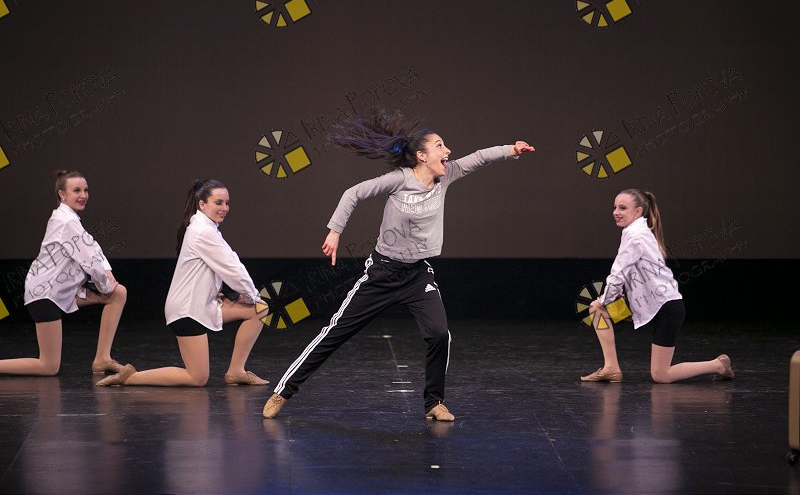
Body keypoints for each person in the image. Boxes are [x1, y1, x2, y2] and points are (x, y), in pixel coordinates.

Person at [262, 108, 535, 421]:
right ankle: (283, 391)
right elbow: (353, 193)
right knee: (335, 332)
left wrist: (511, 150)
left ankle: (434, 403)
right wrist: (335, 231)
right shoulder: (398, 180)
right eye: (440, 146)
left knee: (439, 334)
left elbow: (480, 157)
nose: (448, 151)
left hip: (417, 275)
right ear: (421, 156)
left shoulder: (448, 175)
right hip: (382, 273)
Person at [97, 179, 269, 387]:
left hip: (202, 305)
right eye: (218, 203)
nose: (224, 208)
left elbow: (226, 266)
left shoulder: (206, 227)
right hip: (188, 311)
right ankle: (130, 377)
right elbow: (233, 268)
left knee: (259, 309)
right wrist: (252, 295)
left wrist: (247, 297)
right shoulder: (203, 232)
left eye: (227, 203)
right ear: (202, 204)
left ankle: (236, 371)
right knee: (197, 378)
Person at [581, 189, 734, 384]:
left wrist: (605, 299)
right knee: (597, 309)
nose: (616, 212)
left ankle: (719, 365)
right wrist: (613, 298)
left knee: (661, 375)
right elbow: (627, 273)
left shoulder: (635, 235)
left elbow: (618, 273)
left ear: (638, 212)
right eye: (615, 207)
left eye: (622, 208)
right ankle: (611, 369)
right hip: (649, 305)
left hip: (666, 308)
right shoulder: (637, 231)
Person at [0, 170, 128, 376]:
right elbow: (90, 259)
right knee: (48, 366)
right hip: (45, 294)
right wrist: (105, 285)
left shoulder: (67, 218)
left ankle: (102, 359)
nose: (83, 195)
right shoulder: (66, 221)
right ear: (62, 194)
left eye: (86, 190)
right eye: (76, 190)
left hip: (59, 291)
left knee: (118, 293)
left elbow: (92, 247)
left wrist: (107, 275)